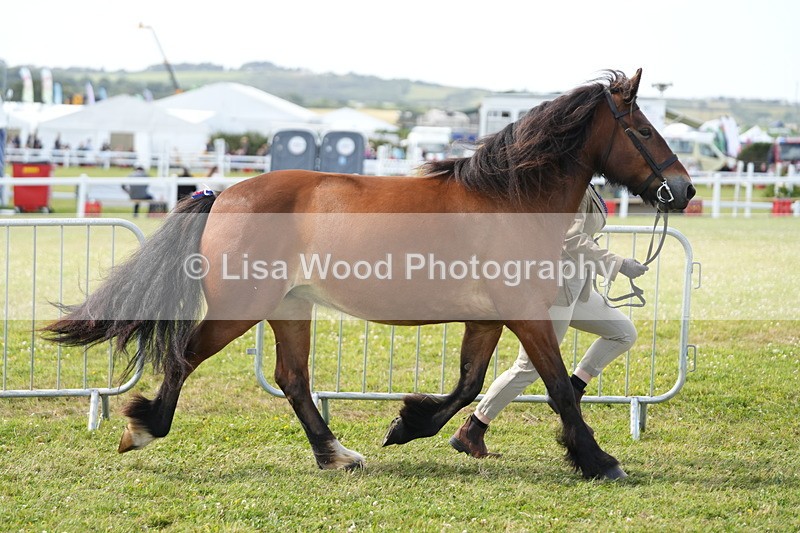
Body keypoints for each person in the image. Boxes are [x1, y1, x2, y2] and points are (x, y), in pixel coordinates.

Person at [449, 184, 649, 458]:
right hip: (555, 290)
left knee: (623, 332)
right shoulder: (571, 186)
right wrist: (619, 264)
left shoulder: (586, 183)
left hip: (577, 290)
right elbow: (572, 240)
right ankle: (472, 428)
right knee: (529, 367)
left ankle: (574, 388)